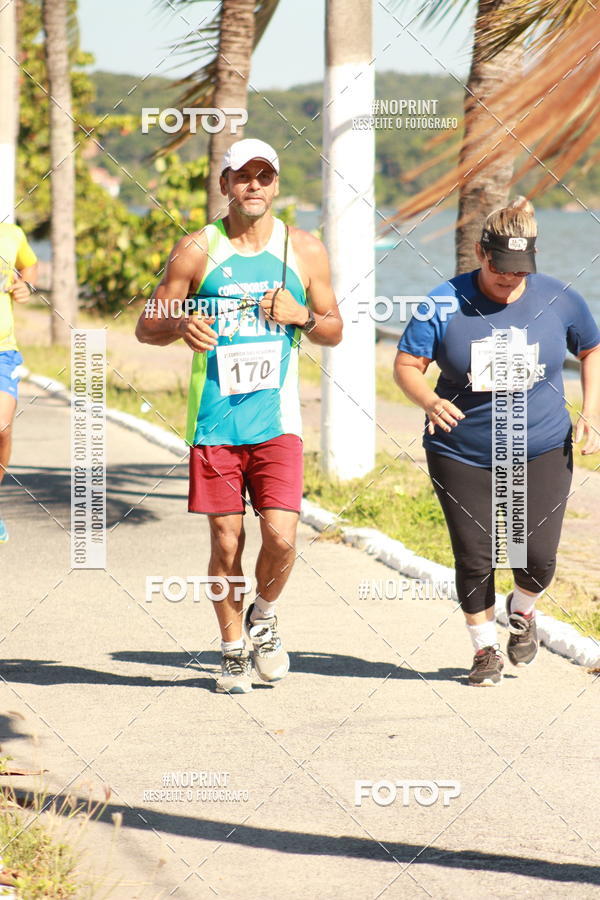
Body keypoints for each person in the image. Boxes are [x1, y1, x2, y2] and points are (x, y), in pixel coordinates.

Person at [136, 138, 343, 693]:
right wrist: (180, 326)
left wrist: (301, 317)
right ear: (225, 185)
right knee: (226, 543)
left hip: (278, 421)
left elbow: (335, 329)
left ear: (276, 186)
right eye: (242, 176)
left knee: (281, 539)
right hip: (215, 421)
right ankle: (231, 651)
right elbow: (146, 326)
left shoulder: (304, 249)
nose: (253, 185)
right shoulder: (196, 250)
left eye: (264, 176)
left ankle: (264, 615)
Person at [394, 198, 600, 686]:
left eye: (520, 270)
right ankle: (484, 650)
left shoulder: (559, 299)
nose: (510, 280)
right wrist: (427, 400)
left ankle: (522, 610)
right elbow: (406, 365)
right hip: (462, 449)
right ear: (482, 254)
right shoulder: (443, 302)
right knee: (476, 553)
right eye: (501, 269)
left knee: (536, 556)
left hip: (542, 445)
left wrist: (591, 410)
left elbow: (591, 348)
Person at [0, 223, 38, 543]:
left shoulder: (11, 234)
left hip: (3, 351)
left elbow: (30, 265)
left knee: (2, 428)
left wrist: (25, 285)